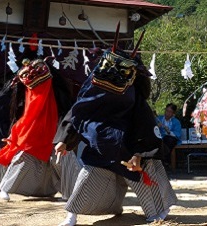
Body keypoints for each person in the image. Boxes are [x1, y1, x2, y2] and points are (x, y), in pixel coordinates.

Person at [54, 26, 177, 226]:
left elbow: (143, 122)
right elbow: (78, 111)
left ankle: (158, 210)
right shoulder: (95, 83)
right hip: (100, 144)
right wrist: (64, 140)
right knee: (88, 178)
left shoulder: (133, 94)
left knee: (147, 173)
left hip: (129, 142)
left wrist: (138, 152)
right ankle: (72, 214)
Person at [0, 58, 72, 201]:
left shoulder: (53, 86)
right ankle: (5, 187)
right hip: (33, 126)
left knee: (58, 160)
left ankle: (66, 191)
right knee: (24, 156)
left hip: (54, 126)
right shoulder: (30, 88)